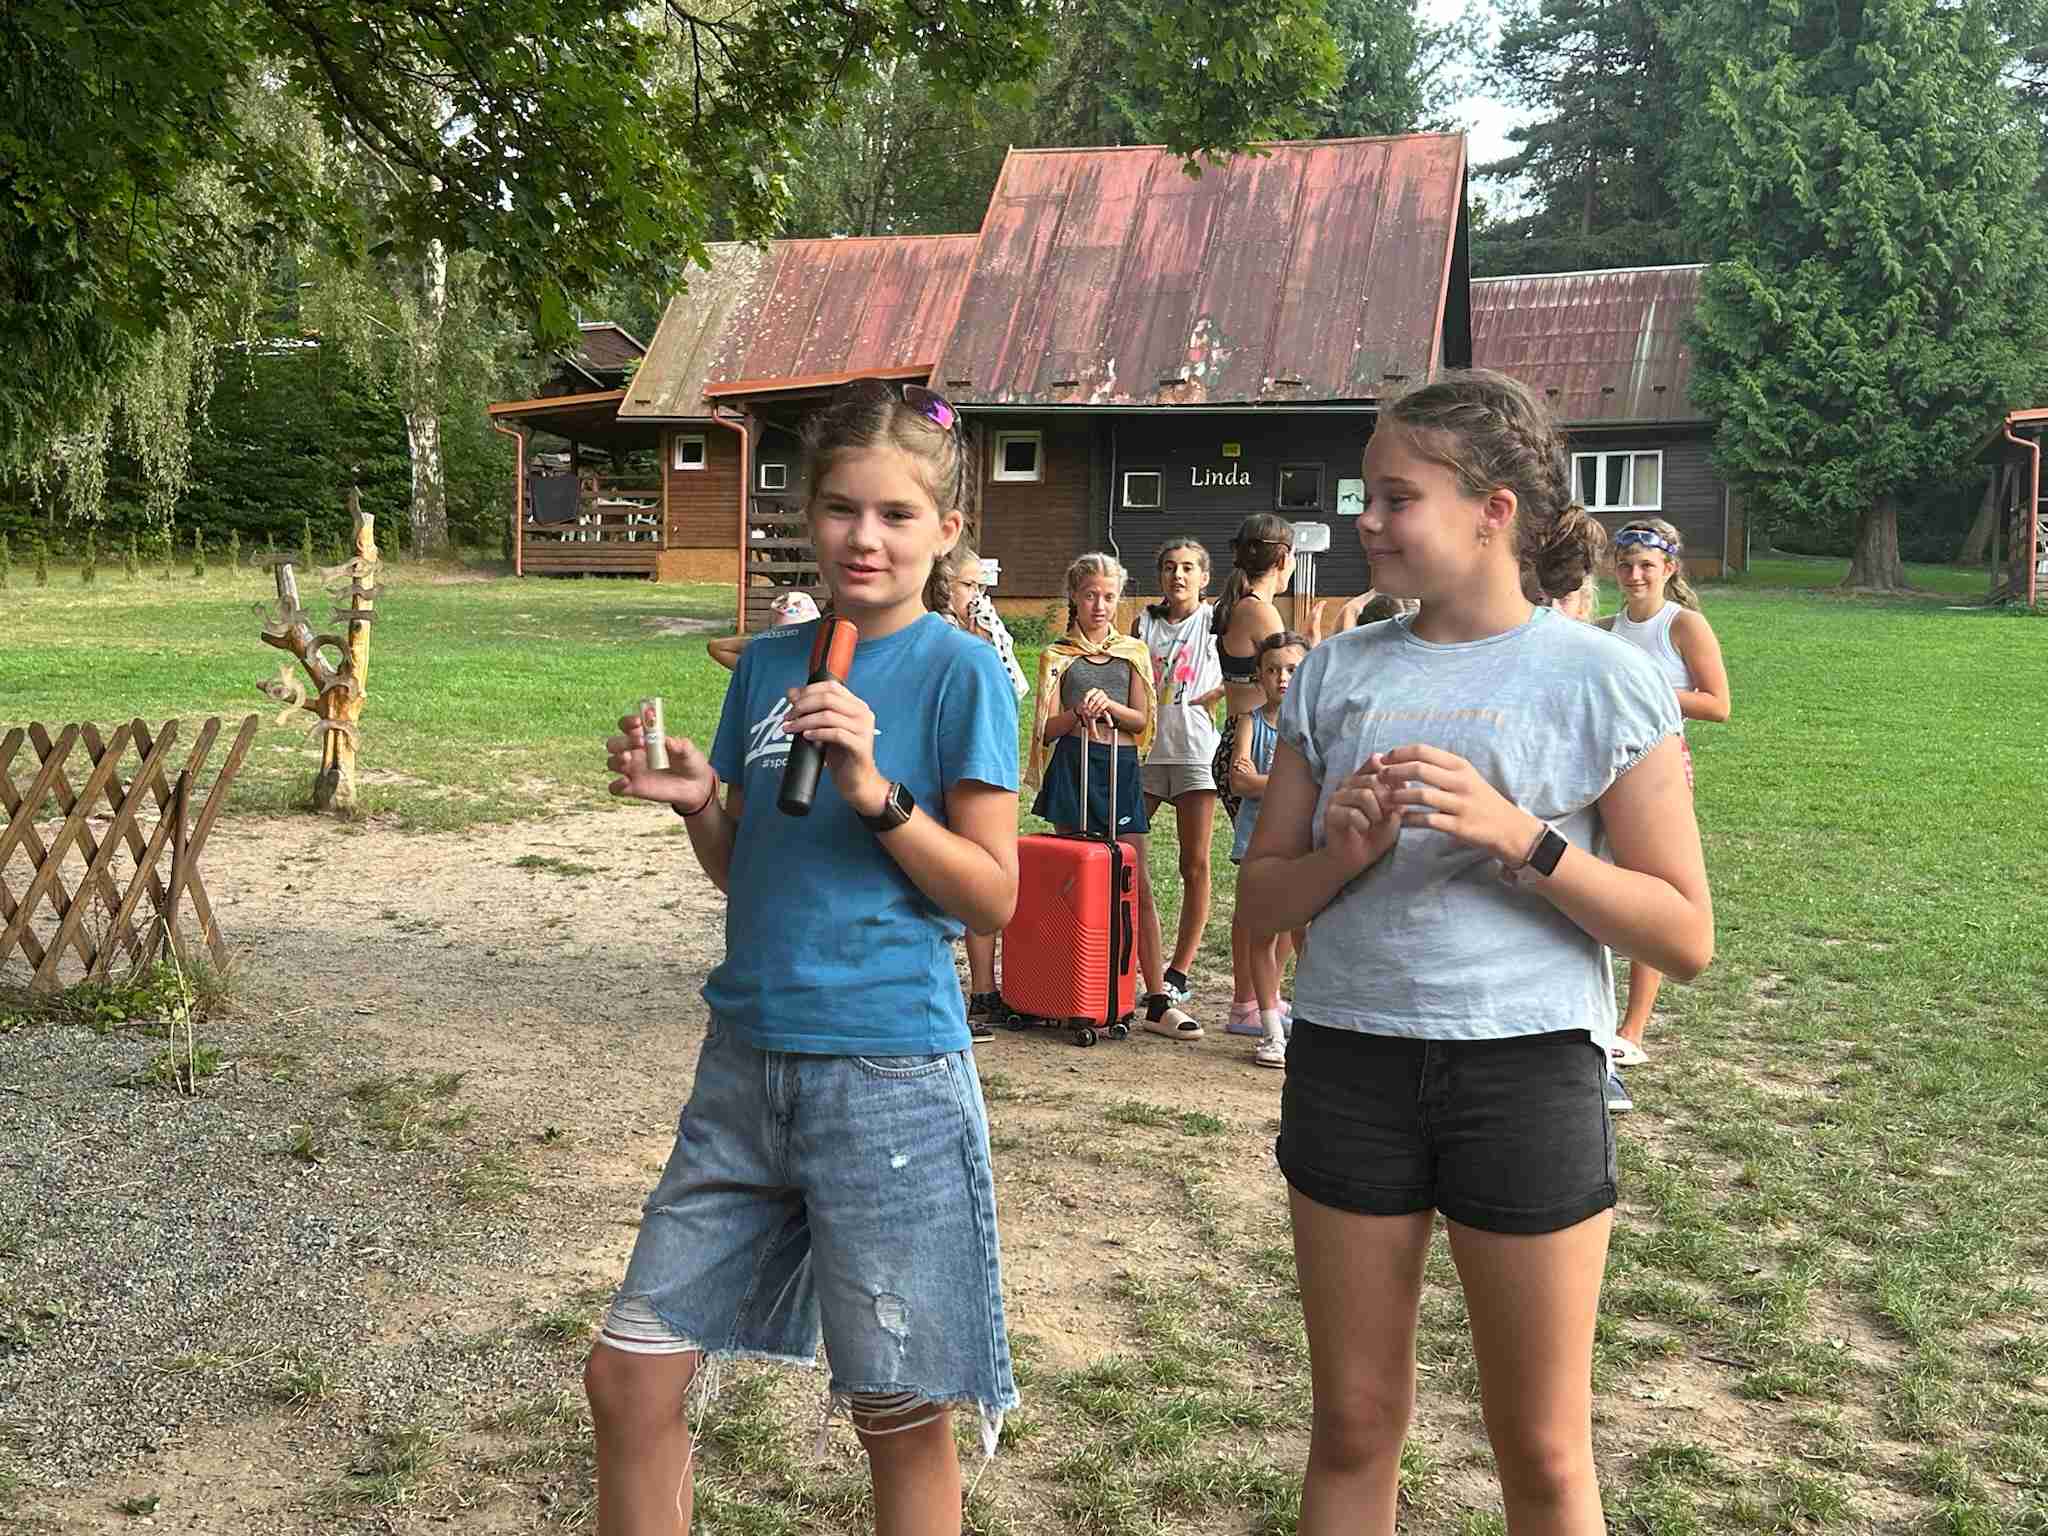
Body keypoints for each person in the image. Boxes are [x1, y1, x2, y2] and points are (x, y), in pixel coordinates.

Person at [1239, 369, 1713, 1536]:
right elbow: (1259, 905)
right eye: (1364, 494)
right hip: (1350, 1066)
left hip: (1526, 1071)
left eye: (1396, 498)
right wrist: (1343, 852)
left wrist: (1526, 841)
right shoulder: (1336, 669)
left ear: (1493, 510)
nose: (1365, 519)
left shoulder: (1604, 677)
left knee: (1542, 1453)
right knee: (1351, 1428)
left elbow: (1681, 933)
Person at [587, 379, 1021, 1536]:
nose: (863, 538)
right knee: (627, 1377)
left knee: (896, 1413)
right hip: (742, 1068)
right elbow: (749, 872)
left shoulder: (960, 672)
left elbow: (992, 896)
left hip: (887, 1077)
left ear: (945, 529)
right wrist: (698, 804)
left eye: (895, 514)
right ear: (808, 517)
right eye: (839, 509)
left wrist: (878, 794)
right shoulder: (769, 665)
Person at [1028, 553, 1202, 1041]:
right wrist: (1077, 713)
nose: (1099, 605)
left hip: (1120, 768)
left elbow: (1142, 720)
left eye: (1108, 596)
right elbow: (1046, 728)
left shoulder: (1132, 652)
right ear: (1074, 597)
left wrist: (1110, 706)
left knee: (1133, 879)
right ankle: (1071, 990)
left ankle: (1157, 998)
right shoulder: (1057, 655)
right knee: (1074, 880)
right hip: (1073, 766)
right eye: (1090, 595)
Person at [1597, 517, 1730, 1108]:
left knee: (1654, 890)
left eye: (1647, 565)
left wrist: (1644, 685)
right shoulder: (1606, 628)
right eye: (1625, 565)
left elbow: (1718, 703)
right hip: (1605, 767)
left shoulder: (1684, 625)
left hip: (1662, 768)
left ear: (1669, 569)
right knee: (1604, 887)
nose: (1634, 575)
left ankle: (1632, 1030)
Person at [1133, 537, 1225, 1005]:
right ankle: (1129, 957)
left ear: (1204, 577)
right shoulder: (1144, 622)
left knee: (1194, 863)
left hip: (1194, 753)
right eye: (1170, 567)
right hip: (1147, 754)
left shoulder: (1215, 620)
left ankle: (1180, 971)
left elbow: (1254, 660)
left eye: (1188, 567)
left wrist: (1218, 693)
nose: (1178, 575)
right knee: (1126, 859)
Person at [946, 546, 1031, 1038]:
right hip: (942, 764)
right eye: (968, 586)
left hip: (982, 758)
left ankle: (983, 991)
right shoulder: (930, 630)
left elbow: (1012, 687)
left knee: (984, 872)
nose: (978, 597)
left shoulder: (987, 627)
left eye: (982, 587)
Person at [1227, 630, 1309, 1067]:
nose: (1282, 678)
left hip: (1303, 843)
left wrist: (1265, 782)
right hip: (1255, 844)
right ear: (1259, 675)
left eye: (1292, 669)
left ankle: (1312, 1023)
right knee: (1262, 933)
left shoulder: (1315, 724)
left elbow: (1316, 782)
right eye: (1273, 669)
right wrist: (1287, 784)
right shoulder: (1250, 722)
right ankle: (1271, 1030)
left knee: (1303, 932)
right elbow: (1239, 782)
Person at [707, 589, 820, 671]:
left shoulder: (822, 667)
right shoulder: (765, 667)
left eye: (801, 632)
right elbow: (716, 647)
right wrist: (764, 641)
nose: (792, 640)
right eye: (784, 633)